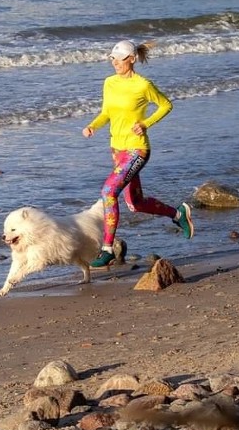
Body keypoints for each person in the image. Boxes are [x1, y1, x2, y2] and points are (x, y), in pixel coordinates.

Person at [82, 39, 194, 267]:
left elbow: (166, 105)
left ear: (131, 59)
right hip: (117, 149)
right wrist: (93, 125)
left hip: (137, 149)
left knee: (108, 191)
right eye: (112, 59)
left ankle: (107, 249)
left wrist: (145, 123)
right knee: (136, 203)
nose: (114, 63)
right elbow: (106, 113)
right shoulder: (109, 83)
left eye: (119, 59)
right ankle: (178, 215)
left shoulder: (143, 85)